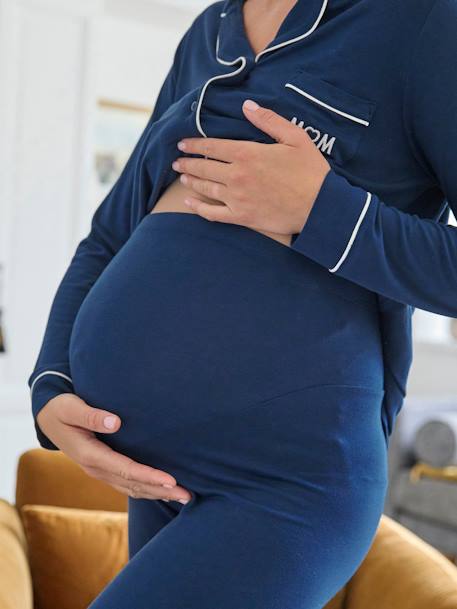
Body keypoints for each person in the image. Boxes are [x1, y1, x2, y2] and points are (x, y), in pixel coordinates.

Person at [28, 0, 457, 607]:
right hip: (156, 478)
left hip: (284, 484)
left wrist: (321, 212)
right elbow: (108, 238)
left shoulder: (422, 21)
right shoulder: (210, 30)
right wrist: (49, 385)